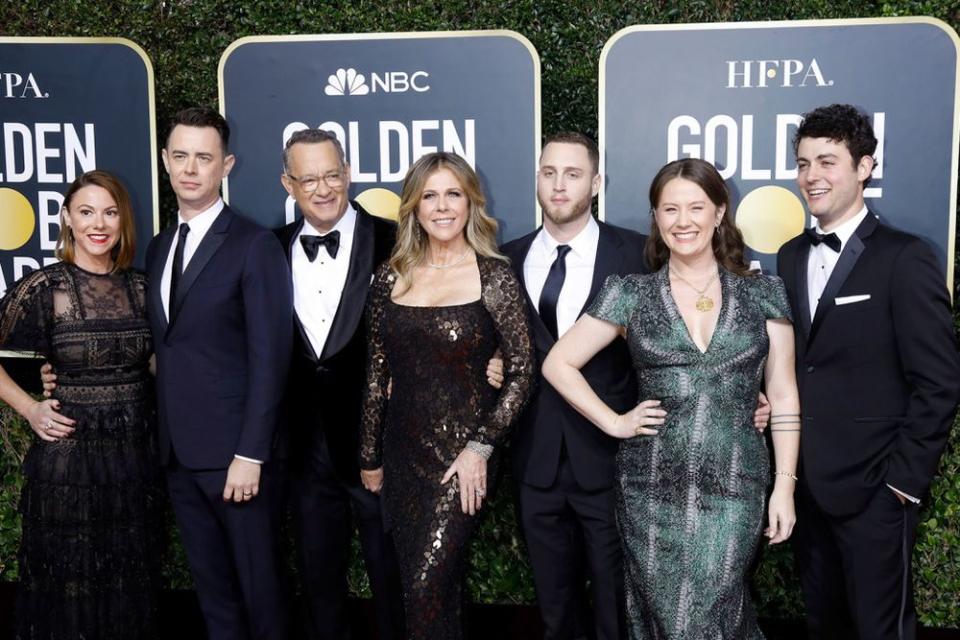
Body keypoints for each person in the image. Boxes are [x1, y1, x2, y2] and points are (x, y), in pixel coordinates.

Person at [544, 157, 800, 639]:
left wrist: (784, 486)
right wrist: (615, 422)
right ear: (656, 219)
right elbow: (558, 363)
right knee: (668, 618)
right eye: (669, 210)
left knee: (707, 615)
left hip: (735, 485)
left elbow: (783, 394)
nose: (683, 222)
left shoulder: (764, 293)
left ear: (720, 212)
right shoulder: (630, 293)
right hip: (650, 487)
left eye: (696, 207)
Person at [777, 104, 960, 640]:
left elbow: (940, 382)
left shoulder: (905, 258)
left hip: (876, 492)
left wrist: (901, 485)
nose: (812, 175)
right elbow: (799, 363)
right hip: (806, 487)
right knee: (822, 625)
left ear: (865, 167)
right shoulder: (789, 256)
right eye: (804, 162)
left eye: (828, 161)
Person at [359, 151, 535, 639]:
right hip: (402, 457)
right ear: (413, 206)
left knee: (425, 584)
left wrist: (481, 447)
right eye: (429, 195)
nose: (441, 207)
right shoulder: (389, 277)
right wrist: (369, 455)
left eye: (453, 194)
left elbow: (521, 371)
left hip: (463, 459)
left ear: (470, 203)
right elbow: (376, 372)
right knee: (433, 590)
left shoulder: (493, 275)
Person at [147, 107, 292, 639]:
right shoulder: (161, 246)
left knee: (261, 591)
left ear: (225, 165)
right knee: (214, 595)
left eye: (203, 158)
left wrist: (250, 453)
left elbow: (271, 357)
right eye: (180, 156)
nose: (190, 169)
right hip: (178, 458)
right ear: (165, 161)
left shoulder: (254, 244)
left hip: (238, 459)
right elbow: (174, 346)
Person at [0, 170, 163, 639]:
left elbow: (159, 366)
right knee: (69, 583)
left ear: (123, 221)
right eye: (87, 211)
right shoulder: (44, 287)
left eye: (110, 212)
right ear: (67, 219)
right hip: (68, 465)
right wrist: (30, 408)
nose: (99, 223)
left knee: (129, 579)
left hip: (133, 460)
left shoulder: (142, 288)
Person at [500, 132, 647, 640]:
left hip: (611, 458)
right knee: (553, 605)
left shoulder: (637, 255)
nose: (559, 186)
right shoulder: (505, 259)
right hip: (534, 457)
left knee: (616, 603)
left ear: (597, 182)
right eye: (549, 173)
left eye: (573, 174)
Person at [275, 128, 405, 640]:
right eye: (309, 179)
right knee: (318, 577)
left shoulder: (398, 239)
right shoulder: (269, 248)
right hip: (305, 447)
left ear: (348, 173)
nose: (324, 188)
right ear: (289, 184)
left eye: (332, 174)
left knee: (392, 574)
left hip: (383, 445)